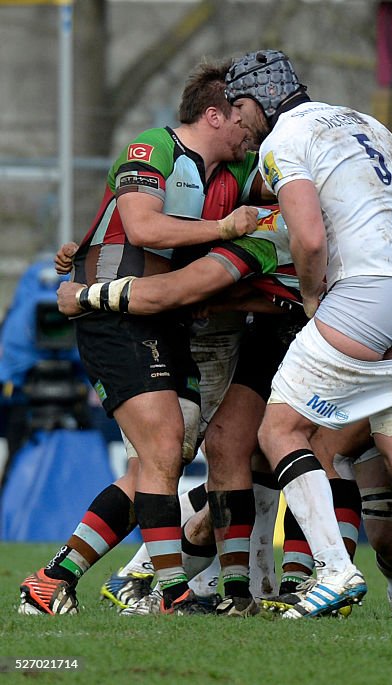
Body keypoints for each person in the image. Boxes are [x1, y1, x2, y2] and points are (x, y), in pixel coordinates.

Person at [223, 49, 392, 621]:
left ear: (259, 100)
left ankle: (335, 571)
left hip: (367, 296)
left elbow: (309, 240)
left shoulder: (283, 140)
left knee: (281, 427)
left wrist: (319, 295)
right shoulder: (366, 122)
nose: (238, 122)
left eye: (238, 107)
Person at [18, 59, 260, 616]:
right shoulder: (154, 147)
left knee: (157, 463)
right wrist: (224, 231)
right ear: (215, 115)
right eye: (244, 114)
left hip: (169, 323)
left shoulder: (233, 179)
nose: (253, 127)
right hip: (114, 317)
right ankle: (171, 593)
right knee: (162, 446)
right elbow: (144, 226)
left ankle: (52, 580)